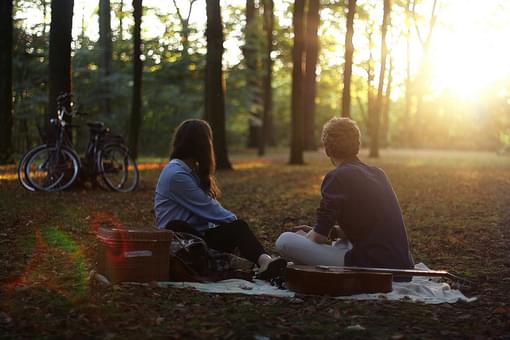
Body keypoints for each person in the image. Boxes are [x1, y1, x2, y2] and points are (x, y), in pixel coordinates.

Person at [275, 117, 414, 271]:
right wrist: (332, 232)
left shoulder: (337, 177)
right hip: (401, 262)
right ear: (357, 145)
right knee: (339, 243)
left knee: (285, 240)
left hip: (372, 263)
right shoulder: (378, 174)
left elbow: (318, 238)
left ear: (327, 148)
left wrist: (306, 237)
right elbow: (372, 226)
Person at [154, 119, 286, 279]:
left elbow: (209, 213)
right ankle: (255, 262)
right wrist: (234, 225)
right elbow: (208, 208)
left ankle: (262, 262)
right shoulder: (177, 175)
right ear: (202, 144)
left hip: (197, 237)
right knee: (236, 227)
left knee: (236, 228)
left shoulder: (189, 170)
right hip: (180, 241)